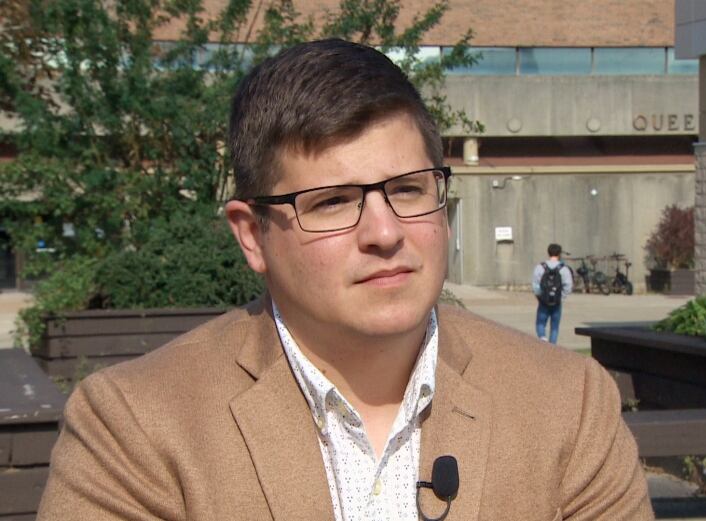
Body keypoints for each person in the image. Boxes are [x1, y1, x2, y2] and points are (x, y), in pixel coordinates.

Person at [37, 39, 652, 520]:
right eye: (332, 202)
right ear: (252, 235)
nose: (385, 233)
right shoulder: (135, 425)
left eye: (409, 190)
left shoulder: (566, 404)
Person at [533, 243, 573, 345]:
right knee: (554, 327)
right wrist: (561, 297)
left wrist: (539, 296)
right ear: (559, 254)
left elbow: (535, 285)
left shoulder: (540, 267)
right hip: (557, 301)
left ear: (548, 252)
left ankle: (542, 337)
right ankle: (553, 349)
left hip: (543, 301)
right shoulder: (564, 268)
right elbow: (568, 286)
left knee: (540, 323)